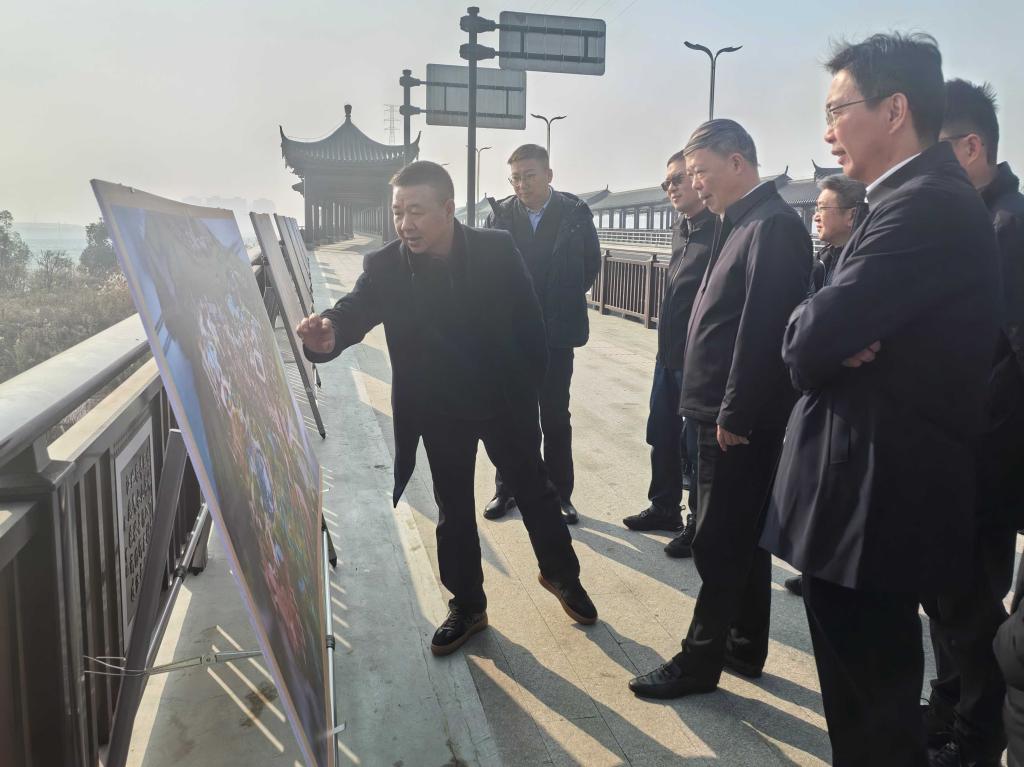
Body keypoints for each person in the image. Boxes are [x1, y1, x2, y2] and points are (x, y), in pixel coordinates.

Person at [760, 34, 1002, 766]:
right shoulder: (902, 199)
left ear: (895, 110)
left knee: (873, 720)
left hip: (874, 505)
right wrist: (827, 331)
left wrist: (821, 332)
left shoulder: (923, 205)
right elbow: (825, 328)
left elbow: (808, 339)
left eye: (838, 111)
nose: (828, 132)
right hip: (864, 499)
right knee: (865, 709)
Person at [297, 161, 597, 657]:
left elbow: (531, 323)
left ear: (447, 208)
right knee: (453, 509)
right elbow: (355, 308)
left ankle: (561, 575)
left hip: (503, 401)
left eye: (416, 211)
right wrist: (329, 332)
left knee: (536, 491)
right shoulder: (386, 266)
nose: (405, 224)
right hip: (439, 409)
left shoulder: (496, 250)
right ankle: (468, 606)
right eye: (398, 212)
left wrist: (527, 391)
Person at [629, 119, 812, 699]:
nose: (696, 184)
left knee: (717, 539)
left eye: (702, 172)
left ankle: (699, 659)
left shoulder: (772, 226)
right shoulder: (740, 223)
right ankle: (743, 644)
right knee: (740, 534)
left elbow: (763, 329)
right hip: (715, 409)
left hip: (733, 419)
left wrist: (735, 411)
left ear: (738, 163)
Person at [924, 78, 1024, 767]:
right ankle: (950, 708)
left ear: (971, 147)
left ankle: (973, 733)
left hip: (983, 452)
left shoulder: (1007, 227)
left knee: (969, 597)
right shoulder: (974, 220)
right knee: (945, 594)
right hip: (956, 443)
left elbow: (1011, 353)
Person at [481, 144, 601, 525]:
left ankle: (559, 493)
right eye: (515, 178)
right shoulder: (500, 215)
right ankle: (508, 489)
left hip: (557, 335)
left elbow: (590, 266)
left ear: (549, 175)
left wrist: (562, 299)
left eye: (529, 176)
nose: (522, 185)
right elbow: (487, 270)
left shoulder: (575, 214)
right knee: (513, 417)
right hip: (513, 336)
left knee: (555, 417)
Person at [622, 149, 717, 560]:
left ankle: (698, 524)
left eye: (678, 179)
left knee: (696, 447)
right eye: (667, 183)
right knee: (660, 433)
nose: (672, 188)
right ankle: (664, 507)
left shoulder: (721, 230)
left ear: (698, 179)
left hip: (699, 361)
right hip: (668, 356)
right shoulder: (682, 229)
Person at [783, 173, 866, 598]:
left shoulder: (859, 262)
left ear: (851, 216)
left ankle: (827, 571)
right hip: (817, 384)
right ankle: (815, 568)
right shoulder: (825, 259)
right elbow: (803, 311)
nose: (815, 215)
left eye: (822, 208)